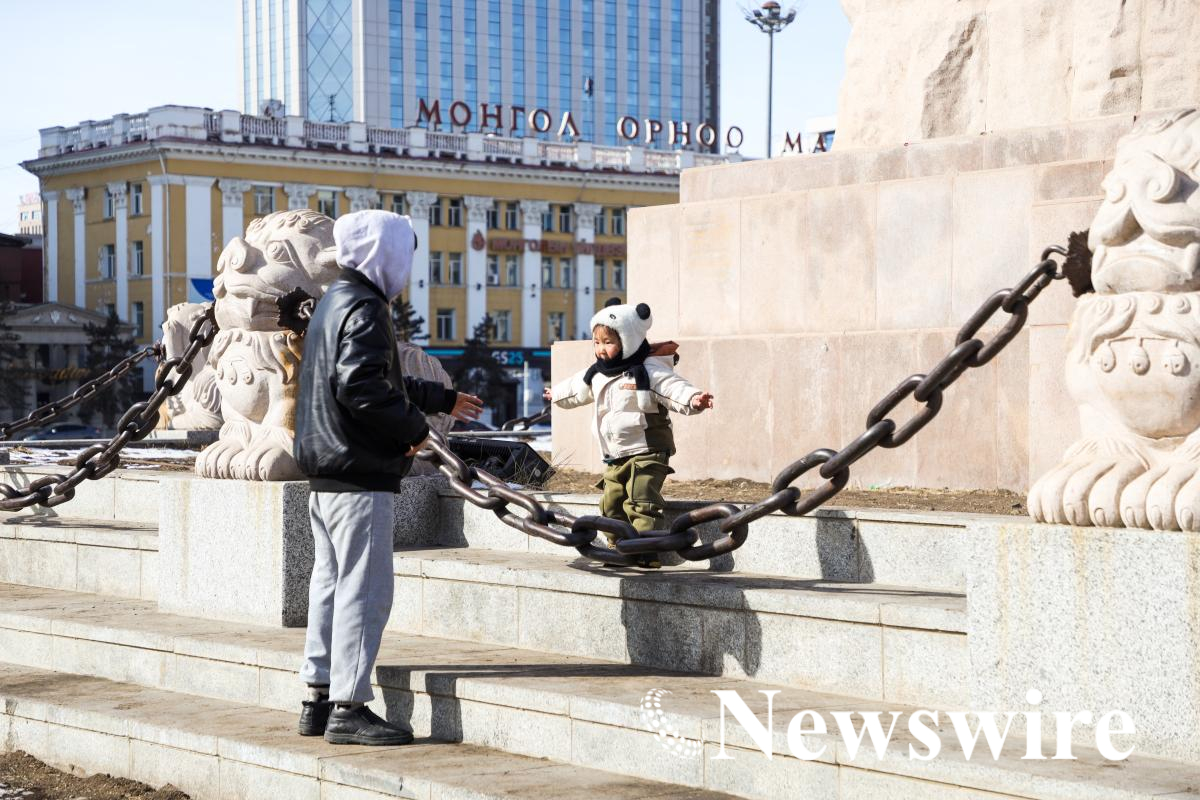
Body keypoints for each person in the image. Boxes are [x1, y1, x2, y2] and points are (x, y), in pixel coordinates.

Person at [293, 209, 483, 745]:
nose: (406, 267)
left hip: (327, 468)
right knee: (364, 591)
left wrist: (441, 397)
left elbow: (373, 376)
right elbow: (364, 387)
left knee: (329, 586)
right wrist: (415, 431)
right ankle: (349, 709)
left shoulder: (335, 300)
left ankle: (318, 699)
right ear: (384, 253)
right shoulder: (368, 306)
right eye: (404, 253)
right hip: (360, 472)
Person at [545, 300, 713, 564]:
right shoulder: (598, 373)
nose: (601, 349)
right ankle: (617, 548)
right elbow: (576, 388)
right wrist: (555, 393)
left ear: (628, 340)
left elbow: (672, 387)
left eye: (608, 342)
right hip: (614, 454)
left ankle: (645, 551)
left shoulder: (648, 370)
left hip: (647, 449)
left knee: (642, 501)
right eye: (597, 342)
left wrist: (693, 399)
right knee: (611, 503)